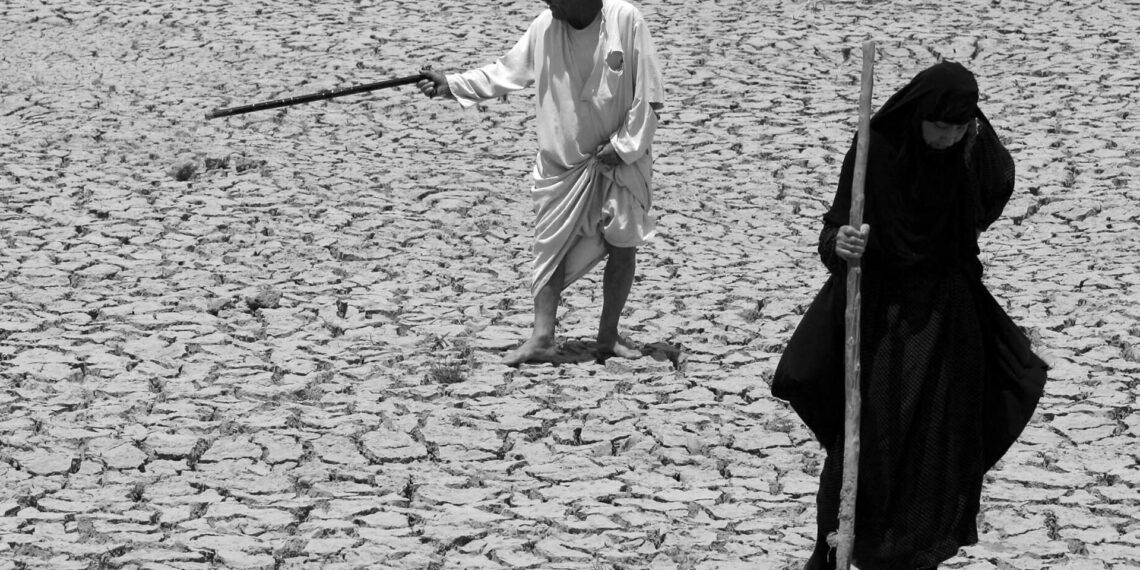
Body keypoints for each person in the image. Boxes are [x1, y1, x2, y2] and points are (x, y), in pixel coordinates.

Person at [771, 61, 1047, 569]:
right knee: (869, 441)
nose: (946, 137)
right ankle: (839, 548)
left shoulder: (969, 151)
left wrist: (973, 133)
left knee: (938, 450)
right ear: (917, 115)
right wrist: (845, 243)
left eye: (959, 127)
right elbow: (833, 235)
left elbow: (995, 189)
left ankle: (916, 556)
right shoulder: (875, 151)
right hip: (882, 318)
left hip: (948, 320)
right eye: (939, 126)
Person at [416, 0, 664, 366]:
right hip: (561, 165)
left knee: (623, 241)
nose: (547, 1)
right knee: (550, 249)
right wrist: (452, 84)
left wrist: (624, 146)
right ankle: (542, 338)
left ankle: (608, 336)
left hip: (617, 160)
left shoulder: (625, 20)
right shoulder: (545, 28)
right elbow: (505, 72)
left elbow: (649, 96)